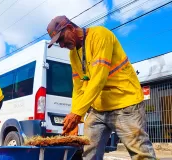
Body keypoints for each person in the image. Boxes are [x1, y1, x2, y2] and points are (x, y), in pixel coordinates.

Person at [46, 15, 156, 160]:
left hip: (125, 103)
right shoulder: (73, 55)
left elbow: (99, 78)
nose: (61, 45)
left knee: (141, 154)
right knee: (88, 153)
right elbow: (78, 88)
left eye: (61, 39)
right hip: (98, 109)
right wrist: (75, 115)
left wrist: (77, 113)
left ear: (71, 28)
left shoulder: (100, 35)